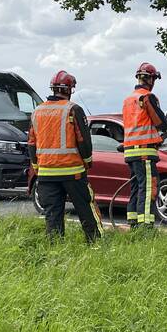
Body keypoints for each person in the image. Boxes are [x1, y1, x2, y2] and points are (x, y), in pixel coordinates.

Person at [28, 70, 103, 243]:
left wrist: (37, 166)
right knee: (86, 209)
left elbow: (31, 143)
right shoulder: (73, 110)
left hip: (46, 174)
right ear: (69, 90)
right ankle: (95, 243)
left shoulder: (37, 111)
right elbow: (83, 141)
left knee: (52, 215)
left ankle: (55, 247)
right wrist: (87, 162)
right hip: (73, 172)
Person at [121, 62, 167, 228]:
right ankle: (146, 227)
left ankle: (133, 222)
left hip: (130, 152)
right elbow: (161, 123)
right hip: (144, 152)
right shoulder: (147, 97)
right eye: (154, 79)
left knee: (136, 187)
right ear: (150, 79)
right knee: (149, 188)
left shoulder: (128, 100)